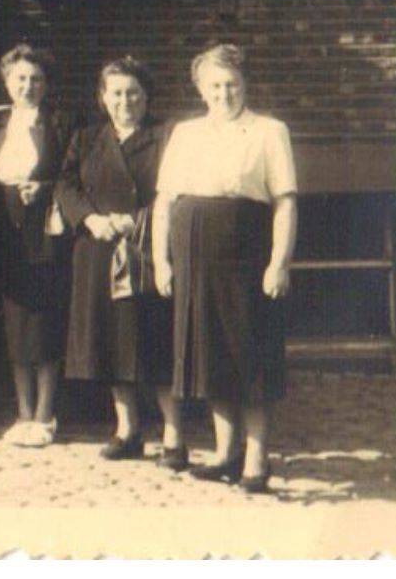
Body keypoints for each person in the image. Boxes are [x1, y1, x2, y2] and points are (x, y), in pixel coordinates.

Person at [152, 44, 297, 494]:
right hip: (194, 256)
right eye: (214, 85)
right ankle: (226, 451)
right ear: (200, 89)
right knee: (210, 354)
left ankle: (256, 458)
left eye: (232, 84)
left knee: (251, 353)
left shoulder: (270, 131)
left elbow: (285, 201)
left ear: (245, 84)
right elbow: (164, 202)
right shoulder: (186, 133)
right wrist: (161, 259)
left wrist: (279, 262)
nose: (224, 93)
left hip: (247, 253)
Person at [56, 57, 182, 468]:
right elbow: (66, 184)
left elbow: (177, 189)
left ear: (146, 97)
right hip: (98, 251)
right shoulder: (87, 138)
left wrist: (139, 219)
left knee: (154, 344)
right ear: (102, 97)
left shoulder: (166, 138)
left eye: (133, 93)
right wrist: (91, 219)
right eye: (116, 94)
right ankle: (127, 430)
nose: (124, 101)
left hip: (146, 250)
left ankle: (173, 436)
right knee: (110, 344)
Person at [0, 45, 72, 449]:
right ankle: (22, 412)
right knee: (15, 325)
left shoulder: (61, 123)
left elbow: (75, 175)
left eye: (36, 79)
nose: (28, 86)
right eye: (20, 78)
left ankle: (45, 413)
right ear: (7, 82)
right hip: (4, 230)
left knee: (46, 323)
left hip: (45, 230)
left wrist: (47, 188)